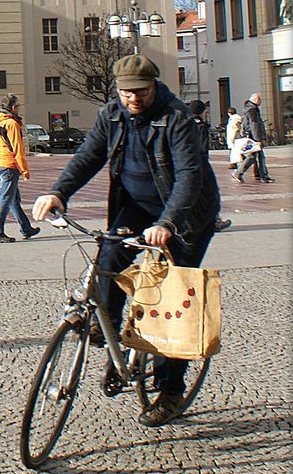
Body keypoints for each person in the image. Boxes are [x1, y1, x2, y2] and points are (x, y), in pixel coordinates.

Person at [31, 54, 221, 428]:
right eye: (126, 93)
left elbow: (188, 177)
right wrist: (58, 193)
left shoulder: (176, 118)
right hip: (136, 205)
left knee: (170, 300)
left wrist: (168, 222)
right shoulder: (111, 114)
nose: (133, 99)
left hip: (184, 217)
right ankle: (109, 328)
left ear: (154, 86)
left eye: (141, 92)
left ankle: (169, 390)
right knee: (109, 253)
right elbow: (88, 157)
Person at [0, 94, 40, 244]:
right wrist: (24, 170)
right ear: (14, 108)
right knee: (6, 198)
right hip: (9, 165)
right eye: (18, 106)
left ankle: (26, 228)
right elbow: (17, 148)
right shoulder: (11, 124)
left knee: (13, 198)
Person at [188, 100, 232, 232]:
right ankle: (214, 221)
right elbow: (203, 147)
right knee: (207, 193)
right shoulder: (201, 126)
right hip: (198, 164)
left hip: (184, 164)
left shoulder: (183, 122)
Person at [242, 93, 273, 183]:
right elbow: (254, 125)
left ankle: (258, 174)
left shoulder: (248, 108)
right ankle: (263, 175)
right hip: (254, 137)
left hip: (251, 136)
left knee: (254, 157)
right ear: (255, 100)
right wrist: (258, 139)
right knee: (257, 157)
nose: (261, 102)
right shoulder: (253, 110)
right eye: (260, 100)